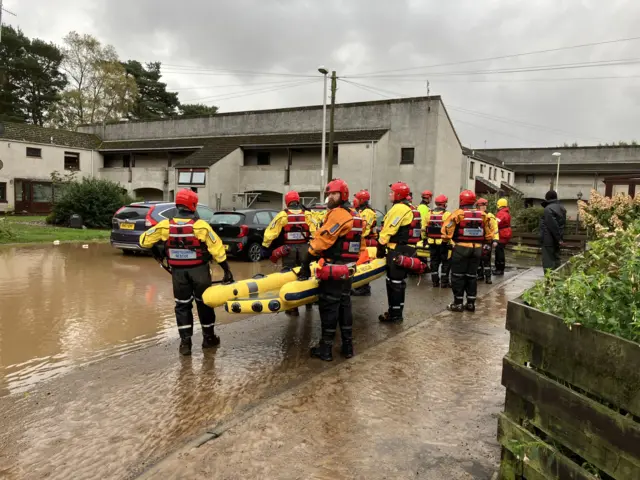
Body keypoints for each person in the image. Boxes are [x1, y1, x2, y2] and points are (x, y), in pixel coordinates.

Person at [140, 189, 234, 356]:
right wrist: (226, 270)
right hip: (199, 271)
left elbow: (144, 241)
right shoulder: (201, 226)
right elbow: (217, 248)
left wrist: (158, 249)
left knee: (182, 306)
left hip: (178, 273)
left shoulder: (165, 225)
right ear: (193, 205)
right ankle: (208, 339)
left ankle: (185, 344)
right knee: (205, 303)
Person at [298, 179, 364, 361]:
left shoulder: (338, 214)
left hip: (334, 269)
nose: (329, 197)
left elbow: (321, 241)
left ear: (342, 195)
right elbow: (360, 244)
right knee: (345, 305)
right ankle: (348, 346)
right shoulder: (356, 215)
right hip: (348, 270)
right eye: (328, 194)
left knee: (329, 306)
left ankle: (325, 349)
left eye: (333, 194)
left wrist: (306, 260)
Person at [261, 190, 314, 316]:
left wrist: (265, 246)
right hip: (305, 249)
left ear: (287, 201)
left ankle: (292, 307)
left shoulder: (283, 215)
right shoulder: (307, 214)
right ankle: (309, 302)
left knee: (289, 275)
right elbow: (316, 230)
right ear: (298, 200)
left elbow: (271, 231)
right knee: (306, 272)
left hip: (289, 249)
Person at [441, 190, 493, 313]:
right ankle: (470, 304)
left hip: (461, 249)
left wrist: (446, 243)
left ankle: (458, 304)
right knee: (471, 276)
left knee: (458, 276)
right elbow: (489, 234)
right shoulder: (483, 215)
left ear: (461, 201)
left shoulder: (457, 214)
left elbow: (446, 231)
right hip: (477, 250)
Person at [376, 181, 422, 324]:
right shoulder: (412, 208)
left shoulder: (399, 209)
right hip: (410, 249)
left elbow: (388, 231)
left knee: (394, 283)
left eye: (392, 192)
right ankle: (397, 311)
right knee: (399, 283)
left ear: (398, 194)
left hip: (397, 250)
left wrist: (380, 247)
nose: (390, 194)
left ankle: (395, 315)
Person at [351, 189, 378, 296]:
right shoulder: (360, 211)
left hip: (367, 241)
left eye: (356, 198)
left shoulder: (368, 212)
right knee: (358, 262)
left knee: (363, 262)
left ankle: (365, 288)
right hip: (361, 240)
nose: (354, 200)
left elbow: (364, 229)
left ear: (362, 200)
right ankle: (359, 285)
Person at [425, 194, 452, 288]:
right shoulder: (447, 215)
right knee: (446, 262)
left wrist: (425, 239)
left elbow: (424, 228)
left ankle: (435, 282)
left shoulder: (429, 214)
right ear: (444, 204)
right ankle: (444, 282)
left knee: (434, 262)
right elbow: (450, 229)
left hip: (432, 242)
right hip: (443, 243)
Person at [540, 190, 566, 272]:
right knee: (556, 260)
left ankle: (549, 282)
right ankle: (557, 281)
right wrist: (560, 239)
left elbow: (552, 225)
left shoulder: (548, 209)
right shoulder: (562, 208)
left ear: (547, 198)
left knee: (548, 262)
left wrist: (558, 239)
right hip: (557, 239)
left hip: (548, 240)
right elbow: (561, 225)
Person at [475, 198, 499, 284]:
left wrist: (495, 240)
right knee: (477, 259)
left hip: (487, 240)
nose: (483, 207)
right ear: (478, 206)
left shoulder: (490, 216)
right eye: (482, 205)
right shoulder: (475, 215)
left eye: (485, 205)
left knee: (486, 259)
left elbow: (495, 229)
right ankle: (480, 275)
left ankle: (488, 277)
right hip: (477, 240)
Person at [493, 198, 512, 275]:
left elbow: (496, 223)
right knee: (500, 250)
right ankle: (500, 268)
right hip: (505, 233)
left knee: (499, 251)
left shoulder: (501, 213)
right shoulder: (506, 212)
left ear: (499, 205)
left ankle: (499, 269)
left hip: (502, 234)